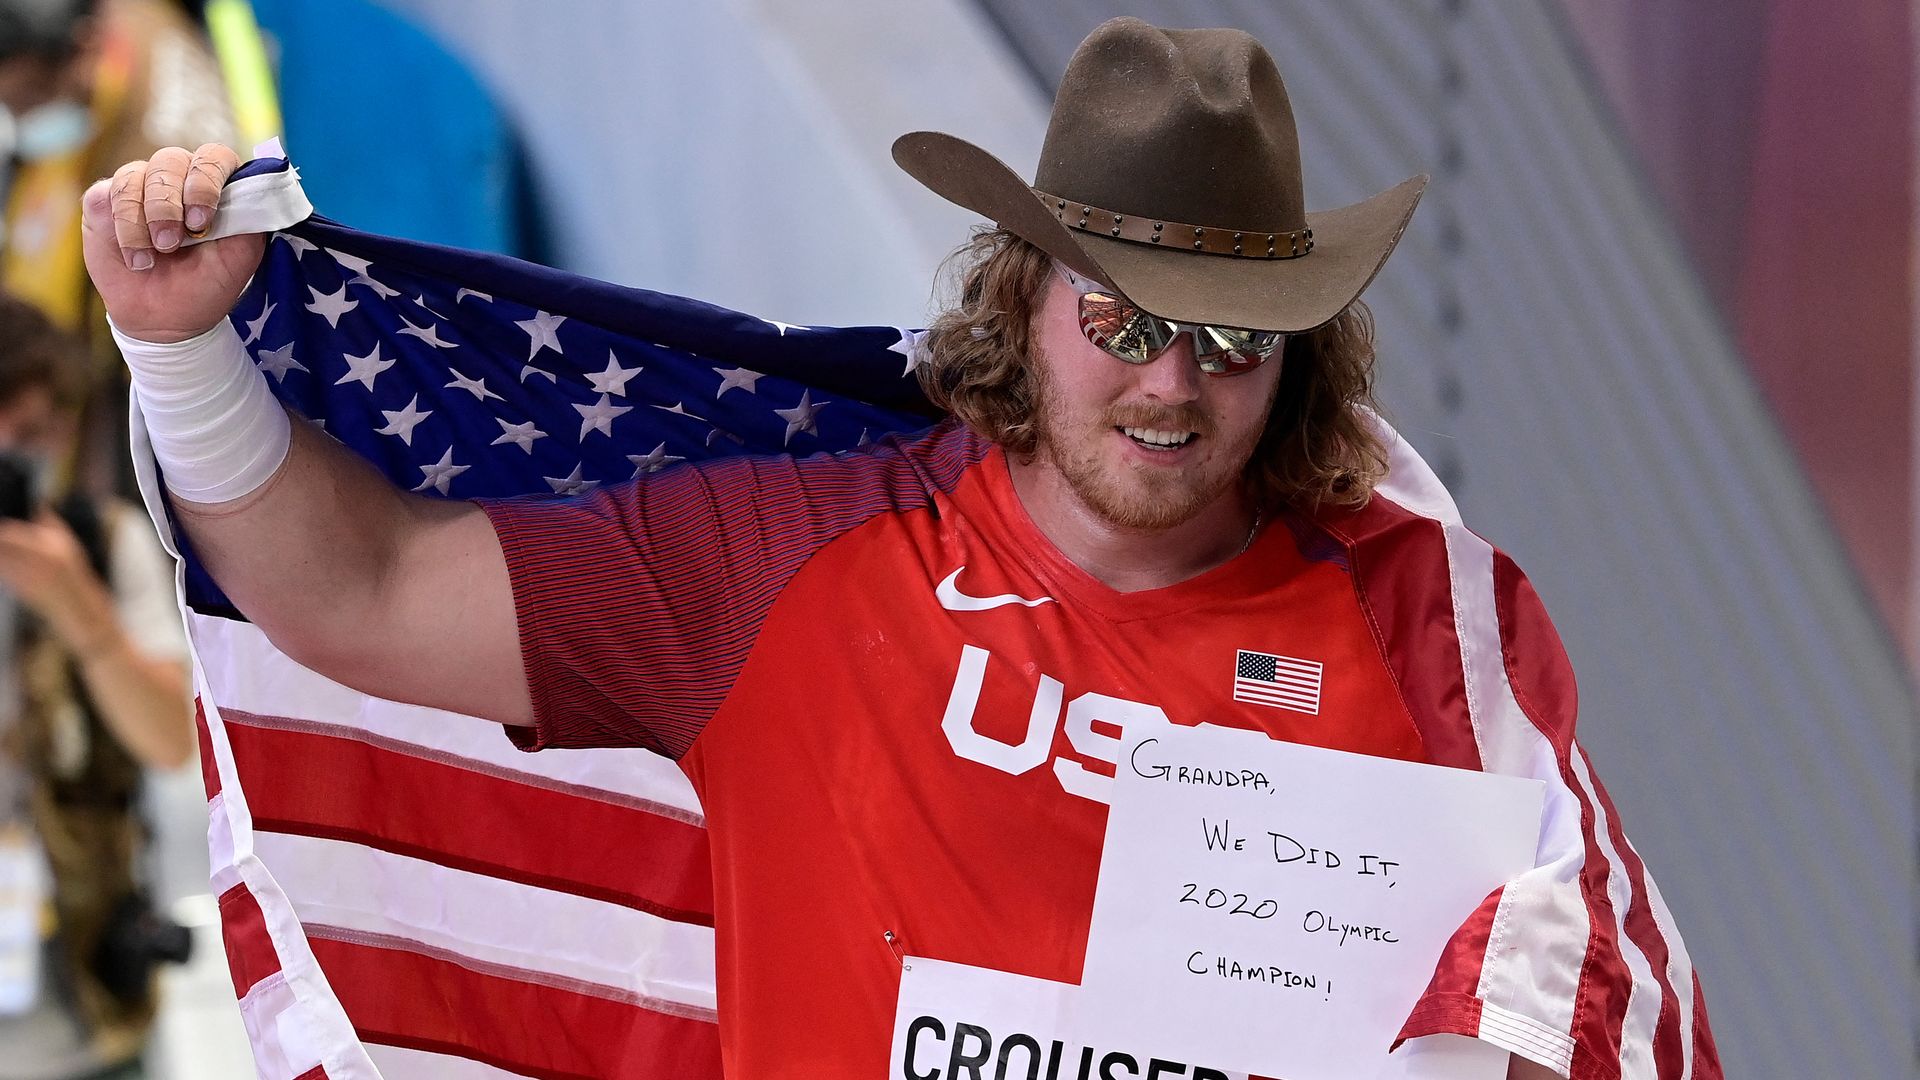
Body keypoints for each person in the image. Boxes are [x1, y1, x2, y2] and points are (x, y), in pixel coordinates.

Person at [77, 17, 1721, 1080]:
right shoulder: (779, 561)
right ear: (1025, 298)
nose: (1173, 383)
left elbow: (1574, 976)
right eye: (1126, 319)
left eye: (1235, 339)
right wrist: (181, 359)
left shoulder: (1418, 622)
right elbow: (355, 598)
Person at [0, 292, 193, 1079]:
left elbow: (173, 742)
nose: (14, 457)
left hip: (85, 982)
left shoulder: (108, 546)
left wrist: (81, 611)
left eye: (38, 432)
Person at [0, 0, 233, 500]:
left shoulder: (154, 183)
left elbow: (157, 361)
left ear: (84, 48)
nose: (22, 123)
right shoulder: (130, 15)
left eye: (32, 99)